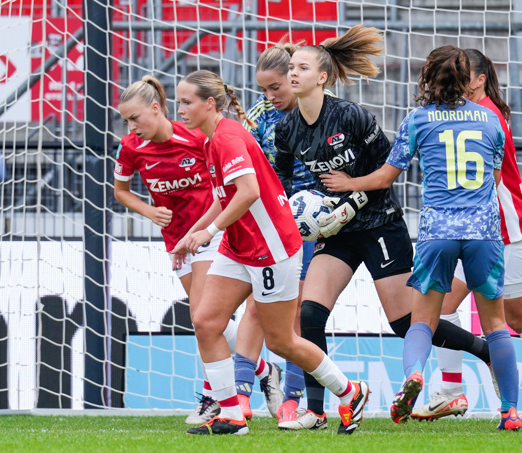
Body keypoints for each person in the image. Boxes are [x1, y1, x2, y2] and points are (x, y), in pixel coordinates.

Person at [274, 26, 494, 431]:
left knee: (404, 324)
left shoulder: (351, 115)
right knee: (309, 315)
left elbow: (386, 172)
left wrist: (350, 203)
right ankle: (317, 411)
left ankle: (486, 351)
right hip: (336, 232)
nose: (293, 73)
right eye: (291, 67)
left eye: (302, 67)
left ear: (322, 77)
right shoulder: (287, 129)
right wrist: (301, 213)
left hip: (380, 225)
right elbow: (282, 182)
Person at [321, 45, 522, 431]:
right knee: (496, 325)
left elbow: (385, 177)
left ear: (428, 77)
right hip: (483, 233)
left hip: (437, 233)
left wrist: (348, 183)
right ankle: (510, 412)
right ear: (467, 79)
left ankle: (414, 376)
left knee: (422, 321)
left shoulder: (418, 120)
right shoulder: (491, 119)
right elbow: (495, 178)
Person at [172, 69, 370, 436]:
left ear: (210, 103)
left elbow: (248, 192)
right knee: (206, 322)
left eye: (186, 102)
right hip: (238, 246)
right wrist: (194, 232)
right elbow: (226, 197)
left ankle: (350, 391)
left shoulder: (229, 138)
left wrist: (209, 232)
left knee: (282, 341)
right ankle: (232, 415)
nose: (180, 109)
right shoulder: (213, 141)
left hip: (272, 249)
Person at [411, 48, 522, 424]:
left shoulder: (486, 115)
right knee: (445, 306)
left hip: (505, 230)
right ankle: (450, 392)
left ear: (479, 80)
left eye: (463, 74)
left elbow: (490, 182)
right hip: (475, 230)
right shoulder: (475, 113)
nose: (455, 81)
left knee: (520, 318)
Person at [113, 75, 239, 425]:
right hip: (177, 242)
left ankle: (215, 399)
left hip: (210, 235)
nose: (131, 127)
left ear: (156, 108)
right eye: (126, 120)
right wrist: (149, 211)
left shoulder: (196, 137)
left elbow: (223, 187)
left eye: (135, 118)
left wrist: (206, 229)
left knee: (202, 318)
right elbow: (121, 191)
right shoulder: (130, 147)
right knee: (207, 321)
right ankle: (259, 368)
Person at [233, 38, 319, 425]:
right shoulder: (259, 115)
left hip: (311, 225)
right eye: (264, 89)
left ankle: (294, 397)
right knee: (255, 305)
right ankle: (239, 394)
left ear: (296, 78)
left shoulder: (321, 111)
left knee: (296, 309)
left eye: (276, 88)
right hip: (267, 222)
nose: (270, 96)